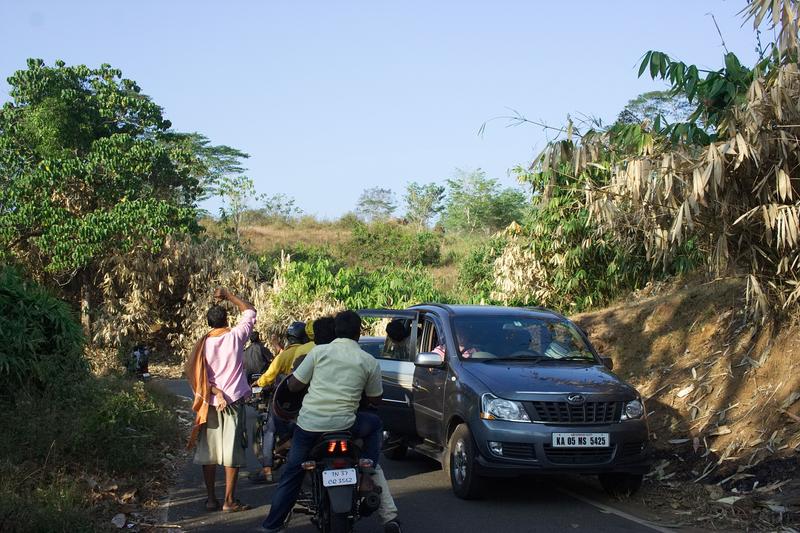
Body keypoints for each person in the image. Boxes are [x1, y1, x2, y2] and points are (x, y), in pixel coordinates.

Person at [261, 310, 401, 533]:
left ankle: (271, 525)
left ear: (336, 331)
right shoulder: (368, 360)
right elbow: (376, 399)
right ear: (358, 334)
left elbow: (294, 385)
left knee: (291, 474)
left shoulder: (318, 353)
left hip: (309, 427)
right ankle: (368, 470)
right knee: (374, 424)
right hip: (345, 426)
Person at [185, 288, 256, 513]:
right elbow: (249, 311)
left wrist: (215, 392)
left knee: (209, 453)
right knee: (231, 452)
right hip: (233, 401)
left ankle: (210, 499)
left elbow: (196, 375)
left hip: (211, 403)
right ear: (226, 320)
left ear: (208, 323)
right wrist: (229, 296)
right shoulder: (235, 336)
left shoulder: (203, 344)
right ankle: (229, 501)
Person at [253, 321, 308, 390]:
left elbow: (270, 374)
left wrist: (258, 383)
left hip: (292, 391)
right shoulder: (312, 349)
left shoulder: (283, 356)